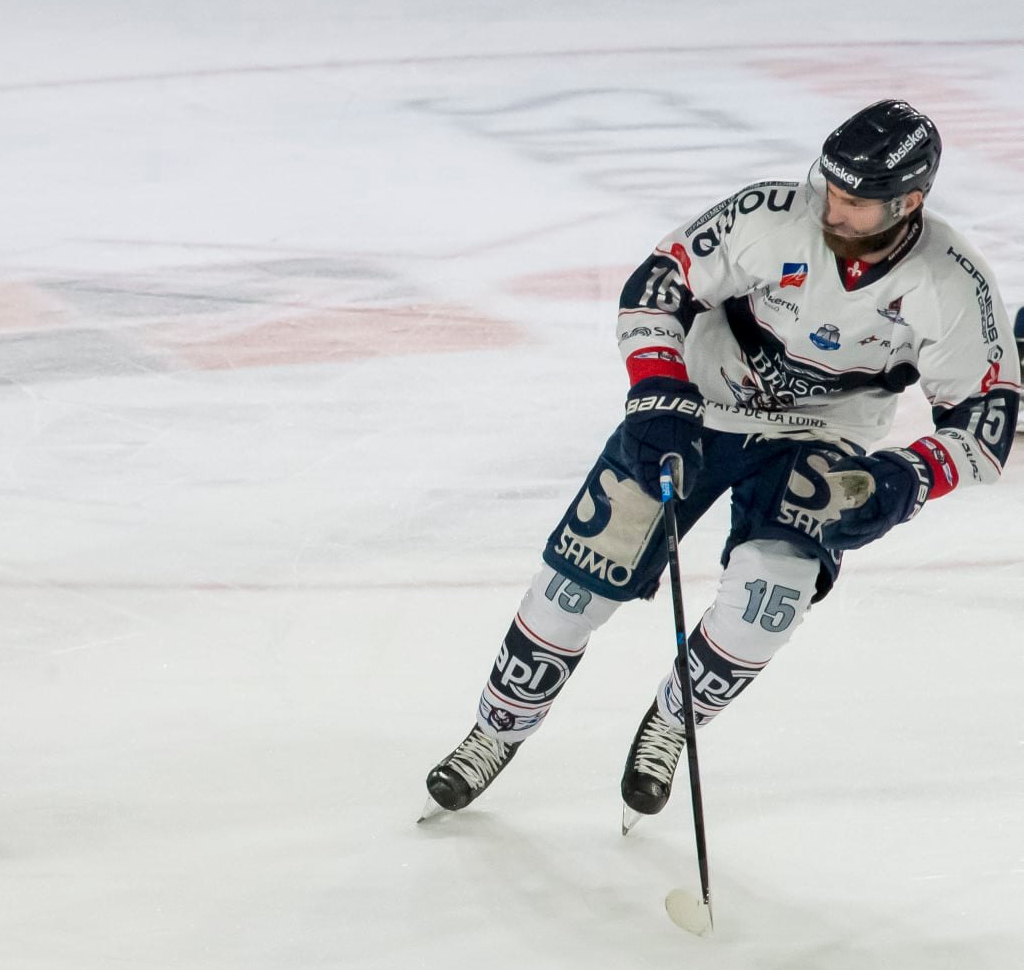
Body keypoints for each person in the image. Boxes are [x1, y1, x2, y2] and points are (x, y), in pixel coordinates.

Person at [423, 100, 1018, 826]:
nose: (831, 208)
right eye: (830, 186)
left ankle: (672, 722)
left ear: (909, 202)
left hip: (822, 435)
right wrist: (657, 389)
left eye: (854, 202)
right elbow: (658, 284)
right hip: (700, 406)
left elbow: (986, 421)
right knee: (574, 584)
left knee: (768, 604)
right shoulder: (770, 214)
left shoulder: (953, 282)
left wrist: (907, 478)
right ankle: (494, 733)